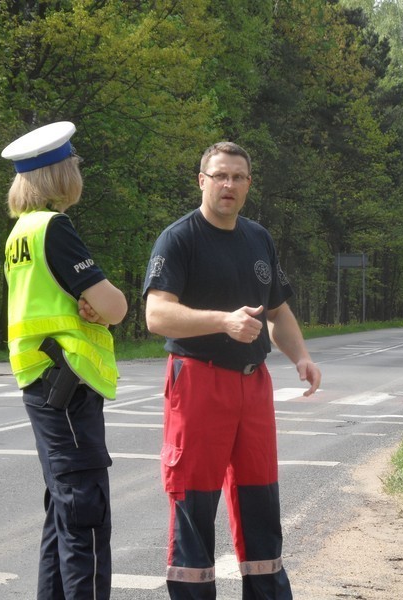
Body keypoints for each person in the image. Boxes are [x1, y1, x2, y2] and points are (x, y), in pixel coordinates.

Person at [143, 141, 321, 600]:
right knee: (194, 502)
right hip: (198, 380)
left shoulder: (258, 237)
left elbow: (278, 312)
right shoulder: (179, 238)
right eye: (220, 176)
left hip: (253, 385)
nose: (229, 185)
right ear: (202, 180)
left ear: (248, 185)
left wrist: (300, 357)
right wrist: (222, 321)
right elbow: (156, 315)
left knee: (260, 499)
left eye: (238, 177)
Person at [2, 121, 128, 599]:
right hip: (67, 385)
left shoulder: (19, 234)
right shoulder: (54, 228)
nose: (79, 172)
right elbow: (114, 307)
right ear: (59, 174)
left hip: (42, 381)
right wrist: (104, 305)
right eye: (74, 164)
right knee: (85, 517)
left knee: (62, 512)